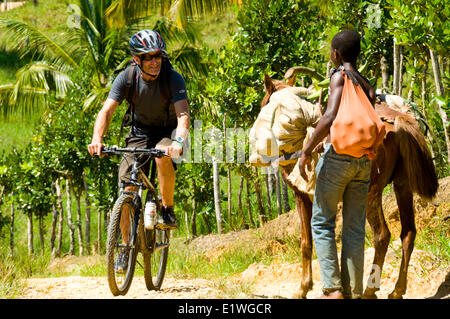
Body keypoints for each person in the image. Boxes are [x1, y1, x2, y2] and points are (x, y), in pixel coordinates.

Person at [88, 29, 190, 271]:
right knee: (127, 187)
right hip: (139, 133)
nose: (155, 62)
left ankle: (166, 209)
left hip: (167, 131)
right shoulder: (127, 77)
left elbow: (183, 115)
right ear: (137, 59)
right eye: (149, 57)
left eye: (158, 56)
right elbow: (106, 111)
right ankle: (124, 249)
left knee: (162, 156)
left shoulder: (172, 78)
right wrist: (97, 138)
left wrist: (177, 142)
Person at [299, 30, 379, 299]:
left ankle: (332, 290)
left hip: (338, 159)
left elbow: (331, 115)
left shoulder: (338, 77)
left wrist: (306, 150)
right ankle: (354, 292)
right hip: (362, 162)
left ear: (336, 54)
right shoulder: (366, 84)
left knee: (321, 222)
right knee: (355, 228)